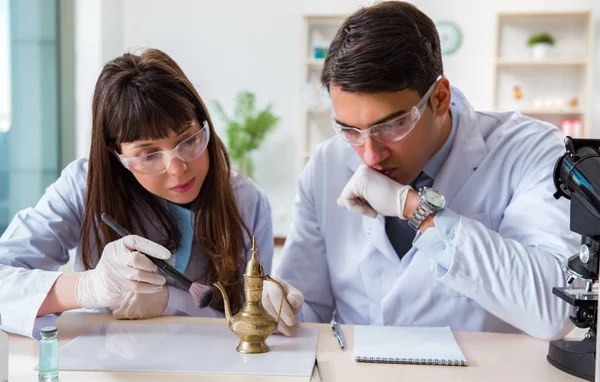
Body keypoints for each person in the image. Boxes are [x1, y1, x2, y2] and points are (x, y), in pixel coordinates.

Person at [275, 1, 580, 340]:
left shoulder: (529, 150)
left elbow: (556, 311)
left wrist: (413, 208)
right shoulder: (325, 165)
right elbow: (307, 307)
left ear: (439, 98)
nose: (370, 153)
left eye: (391, 125)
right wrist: (278, 306)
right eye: (350, 130)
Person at [0, 49, 300, 338]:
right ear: (115, 154)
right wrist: (88, 287)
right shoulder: (83, 187)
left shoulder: (245, 201)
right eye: (148, 155)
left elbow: (241, 313)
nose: (177, 169)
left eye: (188, 140)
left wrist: (172, 301)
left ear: (203, 123)